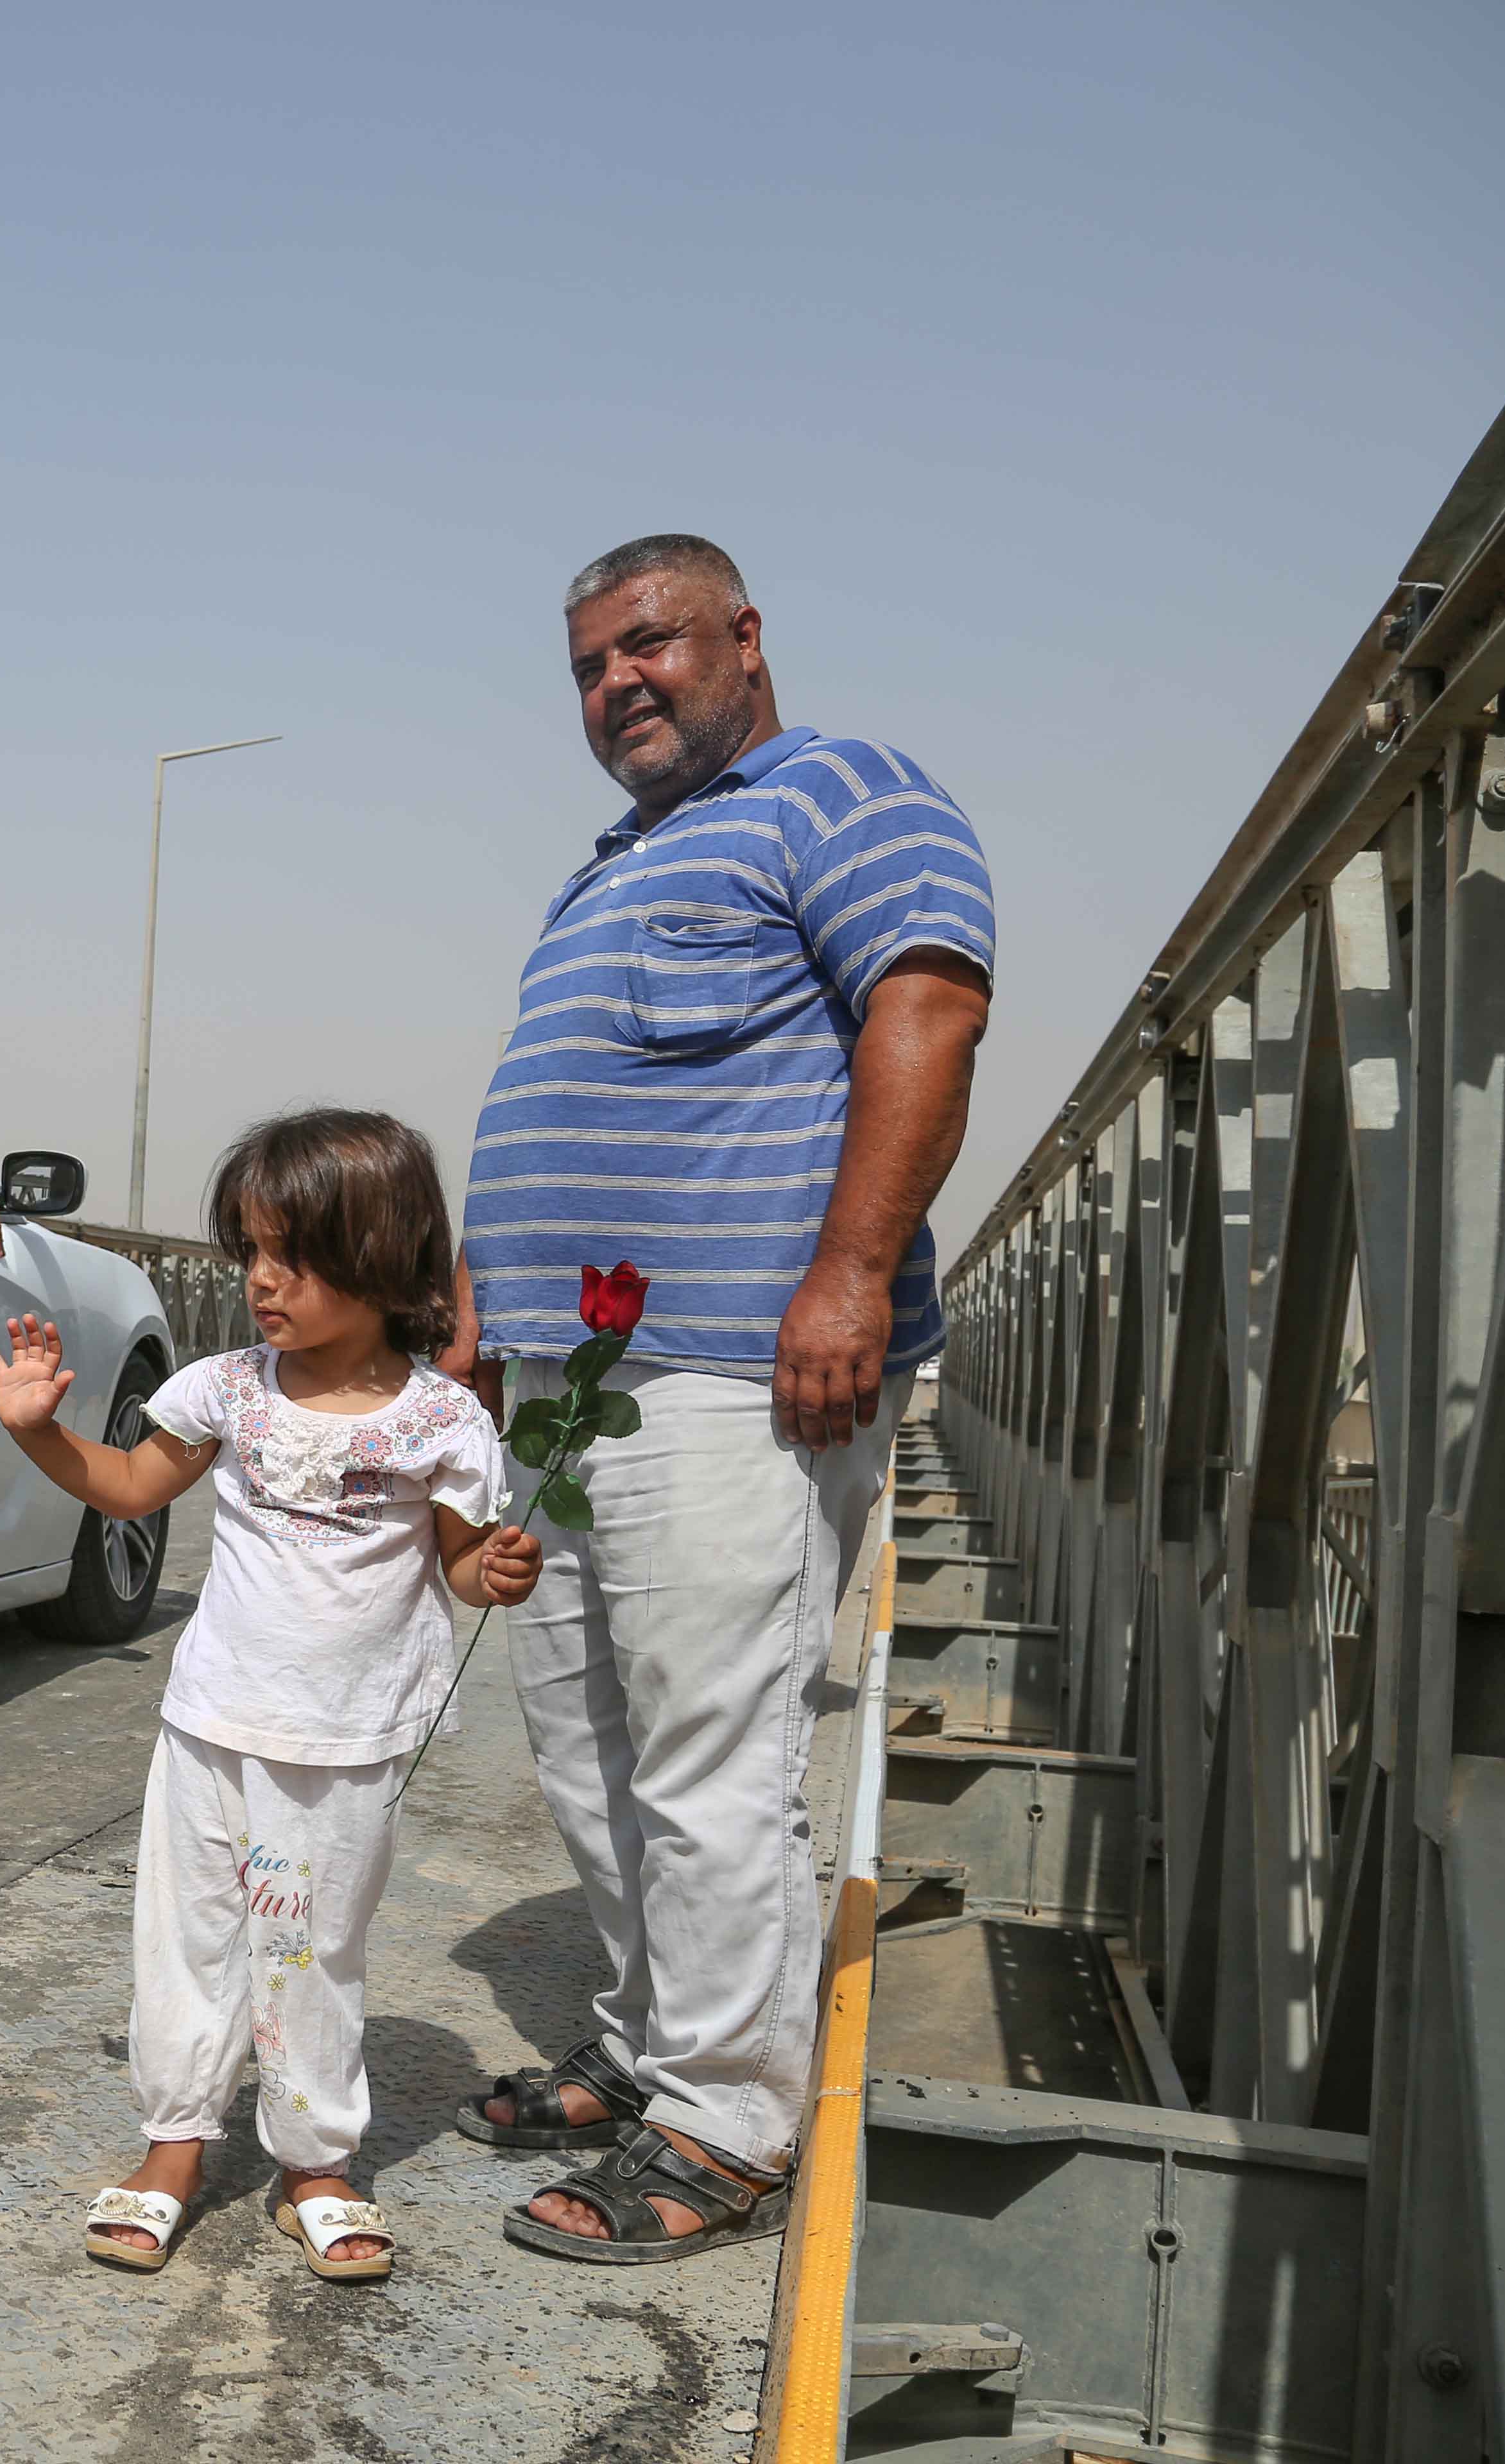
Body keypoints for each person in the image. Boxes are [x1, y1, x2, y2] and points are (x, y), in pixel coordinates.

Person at [454, 534, 993, 2261]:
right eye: (589, 666)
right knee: (586, 1733)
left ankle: (731, 2121)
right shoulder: (613, 865)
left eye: (651, 644)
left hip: (729, 1365)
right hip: (573, 1378)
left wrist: (848, 1273)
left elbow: (928, 1009)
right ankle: (645, 2044)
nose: (618, 683)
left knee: (709, 1744)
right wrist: (485, 1289)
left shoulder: (842, 792)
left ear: (745, 638)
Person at [0, 1108, 542, 2280]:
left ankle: (315, 2163)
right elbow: (130, 1486)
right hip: (209, 1726)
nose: (261, 1280)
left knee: (312, 1951)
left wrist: (493, 1572)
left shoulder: (442, 1419)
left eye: (293, 1255)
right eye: (250, 1251)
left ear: (380, 1260)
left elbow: (458, 1565)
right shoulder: (226, 1390)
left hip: (347, 1745)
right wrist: (42, 1435)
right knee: (186, 1939)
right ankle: (174, 2147)